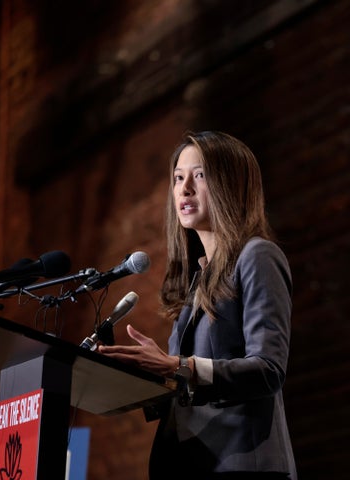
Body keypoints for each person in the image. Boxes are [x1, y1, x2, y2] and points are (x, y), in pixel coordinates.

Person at [98, 131, 297, 479]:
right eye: (178, 178)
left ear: (231, 184)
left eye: (200, 175)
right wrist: (139, 378)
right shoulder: (198, 276)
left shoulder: (258, 256)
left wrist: (179, 365)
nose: (184, 188)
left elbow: (268, 370)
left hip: (241, 464)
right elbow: (186, 386)